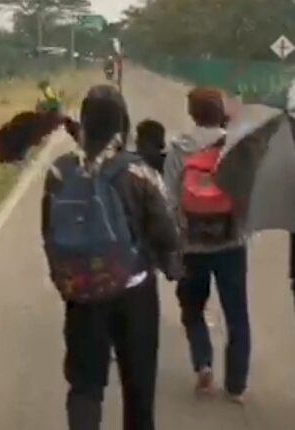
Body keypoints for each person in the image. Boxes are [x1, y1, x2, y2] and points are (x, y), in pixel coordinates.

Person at [42, 85, 181, 430]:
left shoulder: (59, 172)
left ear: (84, 122)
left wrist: (64, 278)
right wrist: (172, 264)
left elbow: (49, 233)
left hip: (83, 291)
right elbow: (167, 232)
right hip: (134, 291)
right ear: (122, 124)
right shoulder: (139, 172)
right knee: (139, 389)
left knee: (85, 386)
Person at [163, 87, 250, 403]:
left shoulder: (179, 149)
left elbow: (170, 200)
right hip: (231, 244)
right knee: (237, 315)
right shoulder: (237, 147)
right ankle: (236, 385)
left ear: (192, 113)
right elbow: (247, 195)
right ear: (221, 113)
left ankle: (203, 363)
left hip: (192, 246)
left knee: (192, 309)